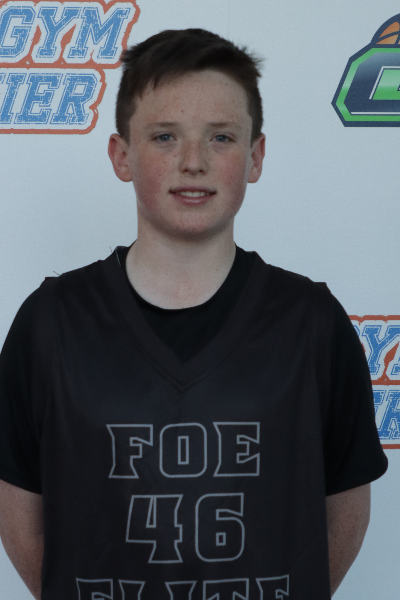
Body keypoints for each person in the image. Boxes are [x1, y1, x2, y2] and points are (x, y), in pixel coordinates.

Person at [0, 28, 388, 600]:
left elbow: (344, 509)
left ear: (255, 157)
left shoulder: (313, 323)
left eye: (221, 138)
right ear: (122, 156)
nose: (193, 162)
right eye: (164, 137)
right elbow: (23, 519)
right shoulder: (51, 323)